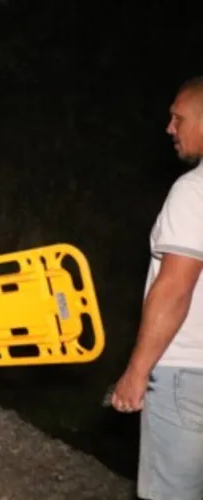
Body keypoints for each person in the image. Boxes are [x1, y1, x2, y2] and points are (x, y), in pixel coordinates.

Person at [110, 76, 203, 500]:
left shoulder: (193, 190)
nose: (170, 128)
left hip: (186, 373)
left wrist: (136, 374)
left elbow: (175, 288)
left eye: (178, 118)